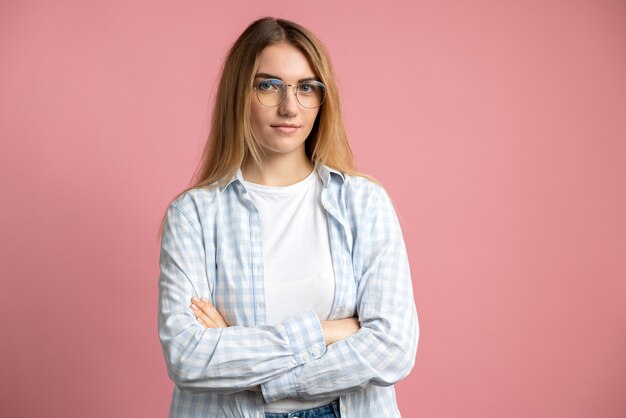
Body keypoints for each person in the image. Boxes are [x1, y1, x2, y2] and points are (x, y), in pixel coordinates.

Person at [158, 17, 419, 418]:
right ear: (238, 93)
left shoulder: (364, 203)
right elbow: (188, 356)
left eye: (306, 88)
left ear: (322, 98)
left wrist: (258, 367)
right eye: (268, 85)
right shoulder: (193, 214)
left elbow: (393, 348)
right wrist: (328, 331)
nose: (289, 106)